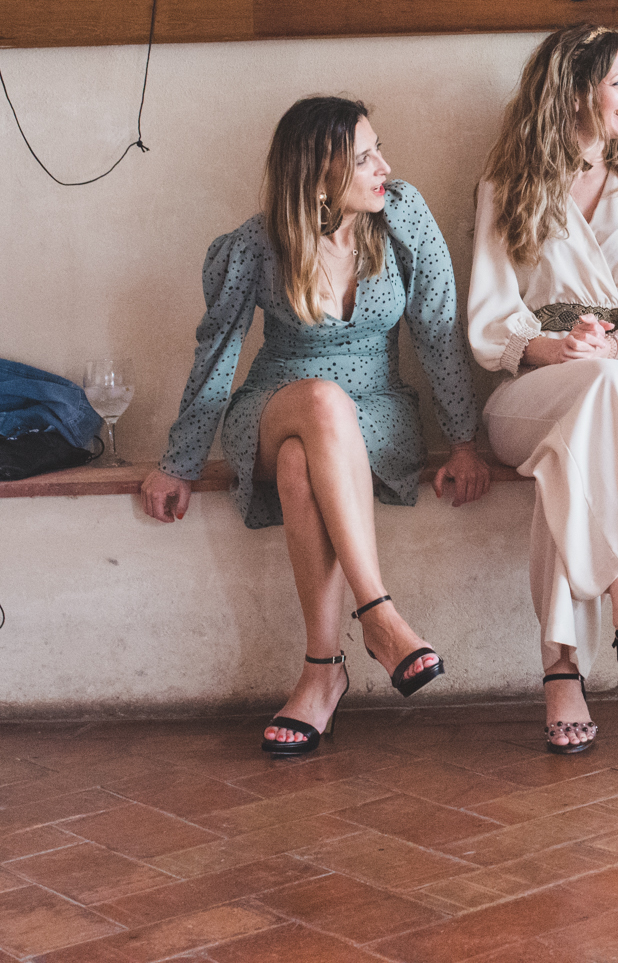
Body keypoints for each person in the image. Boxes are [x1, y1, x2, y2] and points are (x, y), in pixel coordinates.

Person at [141, 96, 490, 757]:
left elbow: (438, 329)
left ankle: (321, 671)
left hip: (378, 411)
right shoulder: (257, 245)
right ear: (318, 175)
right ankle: (379, 613)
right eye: (363, 159)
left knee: (303, 463)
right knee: (322, 406)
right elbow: (218, 354)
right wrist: (179, 462)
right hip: (276, 405)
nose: (384, 167)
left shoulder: (401, 215)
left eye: (379, 149)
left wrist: (463, 440)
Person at [467, 24, 618, 755]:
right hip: (534, 386)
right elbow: (489, 321)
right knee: (581, 406)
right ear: (572, 92)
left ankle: (561, 669)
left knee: (575, 443)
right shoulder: (505, 190)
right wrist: (553, 348)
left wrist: (617, 345)